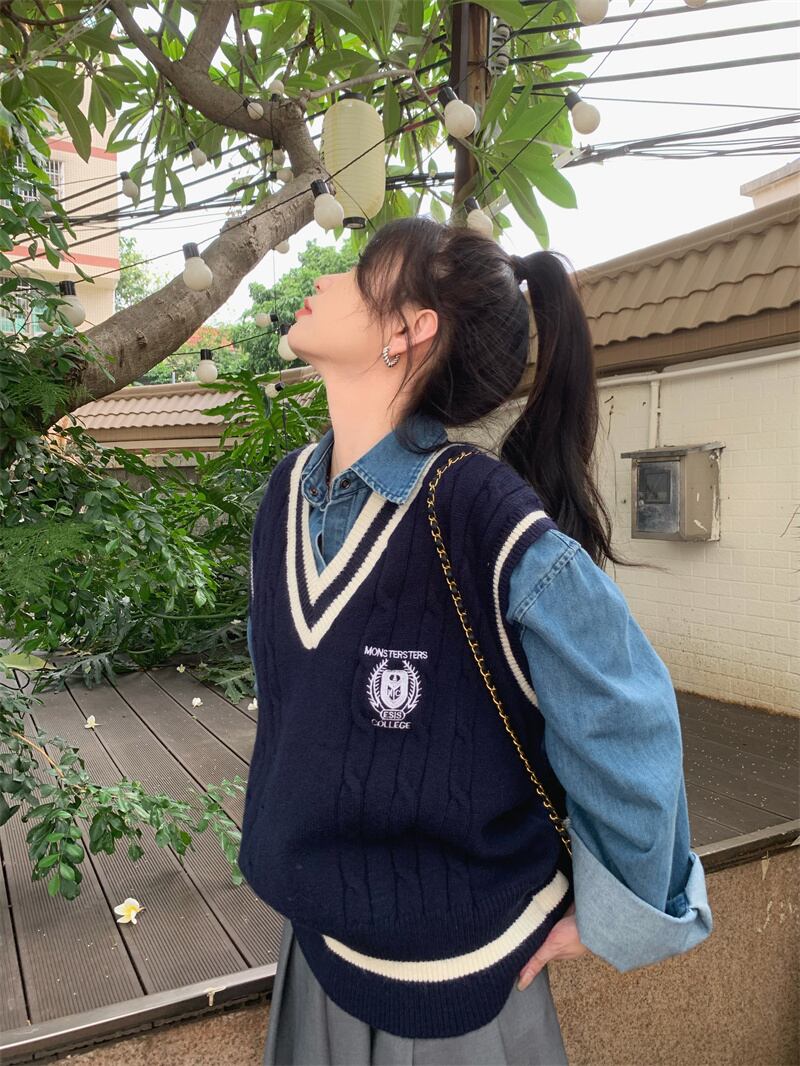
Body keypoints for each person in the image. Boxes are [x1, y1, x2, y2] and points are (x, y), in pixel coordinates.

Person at [239, 217, 713, 1065]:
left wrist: (624, 906)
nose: (326, 280)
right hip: (314, 946)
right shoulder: (287, 495)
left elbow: (626, 713)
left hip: (456, 988)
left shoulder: (480, 515)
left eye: (360, 270)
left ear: (410, 328)